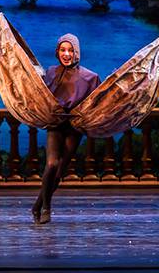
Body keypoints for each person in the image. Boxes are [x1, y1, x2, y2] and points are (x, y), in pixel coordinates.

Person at [32, 33, 101, 224]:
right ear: (57, 51)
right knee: (52, 164)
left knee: (60, 170)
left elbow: (97, 103)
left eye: (70, 50)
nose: (67, 54)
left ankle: (37, 206)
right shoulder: (51, 73)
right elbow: (41, 96)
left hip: (75, 127)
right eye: (63, 50)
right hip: (56, 124)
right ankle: (46, 207)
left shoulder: (90, 77)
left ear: (76, 52)